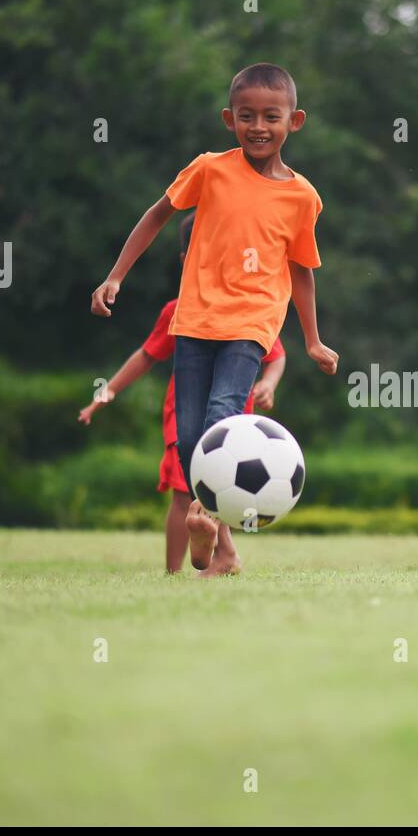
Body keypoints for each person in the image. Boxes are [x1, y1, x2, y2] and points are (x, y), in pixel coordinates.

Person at [90, 63, 337, 577]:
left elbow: (302, 270)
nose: (259, 126)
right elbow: (158, 213)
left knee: (222, 415)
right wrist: (116, 276)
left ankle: (205, 519)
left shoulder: (302, 197)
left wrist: (312, 340)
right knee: (187, 441)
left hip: (251, 323)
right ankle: (223, 552)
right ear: (229, 119)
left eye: (272, 116)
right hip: (194, 320)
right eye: (246, 115)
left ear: (296, 121)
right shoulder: (210, 169)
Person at [78, 215, 287, 574]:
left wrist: (268, 383)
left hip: (235, 422)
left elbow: (277, 356)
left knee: (213, 487)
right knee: (185, 494)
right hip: (185, 418)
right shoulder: (177, 312)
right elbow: (145, 356)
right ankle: (179, 572)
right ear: (185, 260)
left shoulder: (246, 310)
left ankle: (222, 557)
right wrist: (105, 393)